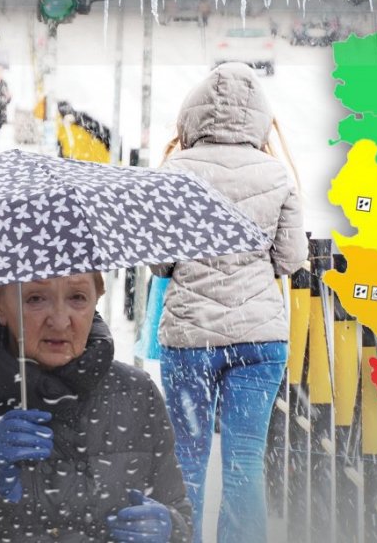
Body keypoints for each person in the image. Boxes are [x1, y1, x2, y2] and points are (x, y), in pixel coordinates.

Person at [0, 272, 193, 542]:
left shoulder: (136, 394)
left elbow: (179, 511)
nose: (60, 320)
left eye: (78, 297)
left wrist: (171, 529)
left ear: (97, 298)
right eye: (36, 298)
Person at [153, 62, 308, 543]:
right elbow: (291, 259)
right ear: (259, 116)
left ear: (195, 113)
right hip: (260, 340)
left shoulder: (175, 171)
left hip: (189, 338)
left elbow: (159, 263)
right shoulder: (277, 174)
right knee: (244, 459)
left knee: (188, 457)